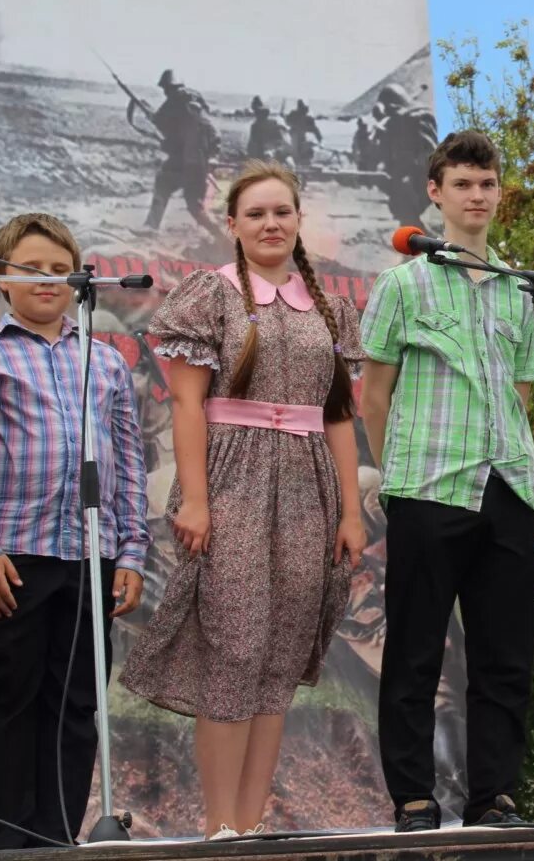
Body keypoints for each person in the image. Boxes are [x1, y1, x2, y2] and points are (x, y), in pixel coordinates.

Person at [120, 160, 365, 840]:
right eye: (255, 214)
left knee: (279, 655)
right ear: (231, 225)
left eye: (281, 212)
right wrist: (194, 499)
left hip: (310, 485)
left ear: (297, 220)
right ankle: (219, 828)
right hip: (233, 477)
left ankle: (250, 827)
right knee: (232, 648)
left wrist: (350, 509)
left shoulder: (327, 306)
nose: (270, 224)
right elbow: (188, 405)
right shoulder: (211, 295)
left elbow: (339, 415)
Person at [359, 129, 534, 832]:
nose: (476, 196)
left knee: (503, 654)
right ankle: (412, 796)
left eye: (487, 183)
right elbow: (374, 393)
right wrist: (398, 474)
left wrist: (506, 459)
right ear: (435, 193)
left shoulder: (520, 288)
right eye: (462, 184)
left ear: (500, 193)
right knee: (413, 650)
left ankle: (493, 795)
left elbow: (521, 388)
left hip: (506, 487)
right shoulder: (402, 284)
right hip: (428, 486)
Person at [0, 213, 150, 848]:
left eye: (58, 268)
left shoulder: (106, 361)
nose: (46, 280)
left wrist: (130, 552)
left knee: (73, 707)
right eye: (30, 268)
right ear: (1, 281)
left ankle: (55, 838)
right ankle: (0, 842)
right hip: (10, 558)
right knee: (5, 696)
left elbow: (127, 463)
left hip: (87, 555)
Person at [143, 70, 222, 237]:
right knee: (166, 184)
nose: (166, 93)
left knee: (193, 204)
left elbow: (161, 121)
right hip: (193, 159)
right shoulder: (194, 100)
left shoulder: (177, 99)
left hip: (191, 161)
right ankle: (151, 227)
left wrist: (149, 113)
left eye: (166, 89)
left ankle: (224, 238)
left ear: (170, 87)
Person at [369, 84, 437, 225]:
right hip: (402, 177)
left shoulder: (418, 119)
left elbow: (429, 153)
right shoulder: (398, 122)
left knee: (407, 211)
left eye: (390, 111)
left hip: (418, 178)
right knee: (403, 213)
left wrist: (411, 169)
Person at [284, 100, 322, 167]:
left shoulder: (307, 119)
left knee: (302, 150)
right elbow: (287, 121)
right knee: (295, 151)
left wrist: (320, 140)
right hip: (294, 138)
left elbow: (315, 130)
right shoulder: (295, 115)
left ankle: (302, 163)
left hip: (299, 139)